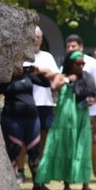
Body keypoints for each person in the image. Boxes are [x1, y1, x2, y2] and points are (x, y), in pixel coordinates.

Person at [36, 51, 96, 190]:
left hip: (81, 118)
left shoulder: (86, 77)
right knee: (65, 148)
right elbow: (54, 87)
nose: (81, 66)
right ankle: (66, 186)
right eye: (78, 63)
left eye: (83, 63)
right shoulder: (62, 76)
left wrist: (91, 100)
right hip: (64, 121)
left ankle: (85, 185)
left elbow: (94, 94)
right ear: (70, 64)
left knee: (82, 148)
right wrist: (67, 79)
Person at [0, 64, 54, 190]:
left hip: (32, 119)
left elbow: (46, 84)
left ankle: (38, 184)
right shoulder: (6, 77)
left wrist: (38, 71)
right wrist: (11, 76)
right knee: (13, 152)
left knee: (34, 152)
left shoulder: (28, 75)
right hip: (12, 119)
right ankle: (9, 187)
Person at [64, 34, 96, 182]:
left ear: (81, 47)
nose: (70, 49)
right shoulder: (66, 65)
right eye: (68, 46)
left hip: (90, 112)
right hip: (71, 112)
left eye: (73, 46)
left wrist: (85, 91)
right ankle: (70, 177)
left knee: (92, 142)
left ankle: (95, 172)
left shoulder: (93, 64)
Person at [32, 26, 63, 170]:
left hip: (45, 102)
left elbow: (56, 74)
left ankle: (41, 165)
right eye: (32, 36)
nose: (34, 39)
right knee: (28, 138)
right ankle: (21, 169)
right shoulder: (21, 56)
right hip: (27, 102)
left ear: (41, 39)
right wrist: (43, 72)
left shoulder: (47, 56)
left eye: (37, 36)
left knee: (44, 134)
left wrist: (40, 71)